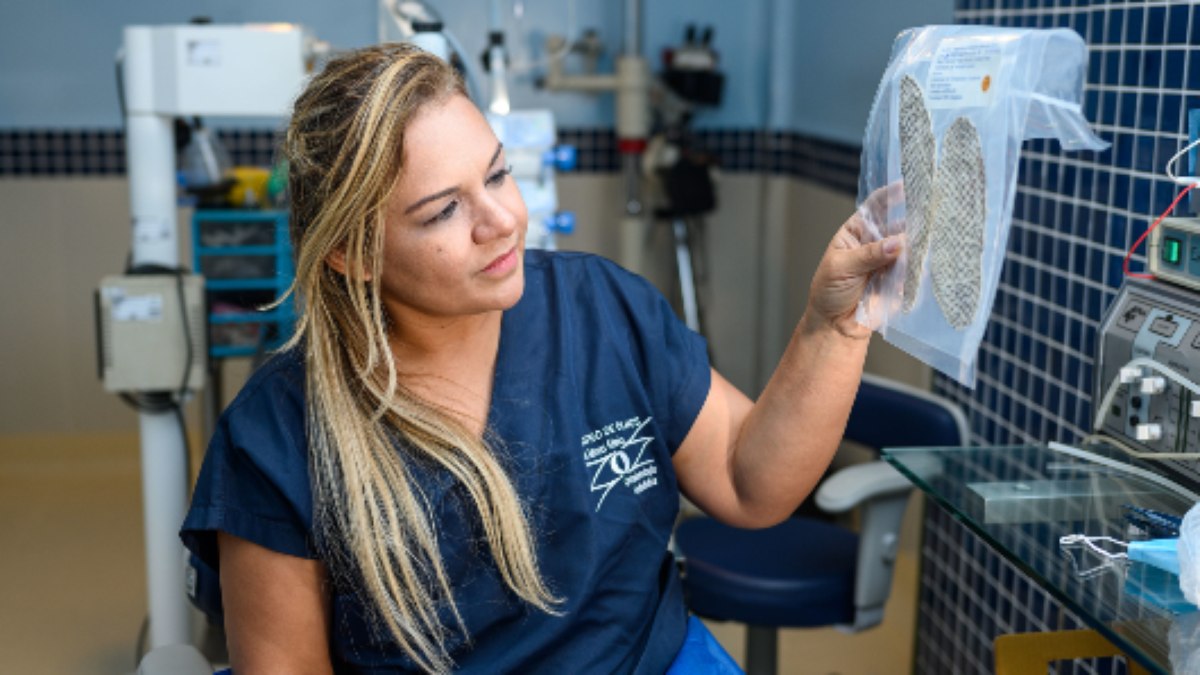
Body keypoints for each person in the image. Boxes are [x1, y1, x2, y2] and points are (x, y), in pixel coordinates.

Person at [181, 43, 901, 674]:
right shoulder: (276, 435)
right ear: (352, 253)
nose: (502, 223)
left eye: (497, 175)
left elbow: (751, 481)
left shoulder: (601, 309)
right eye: (442, 211)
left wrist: (832, 327)